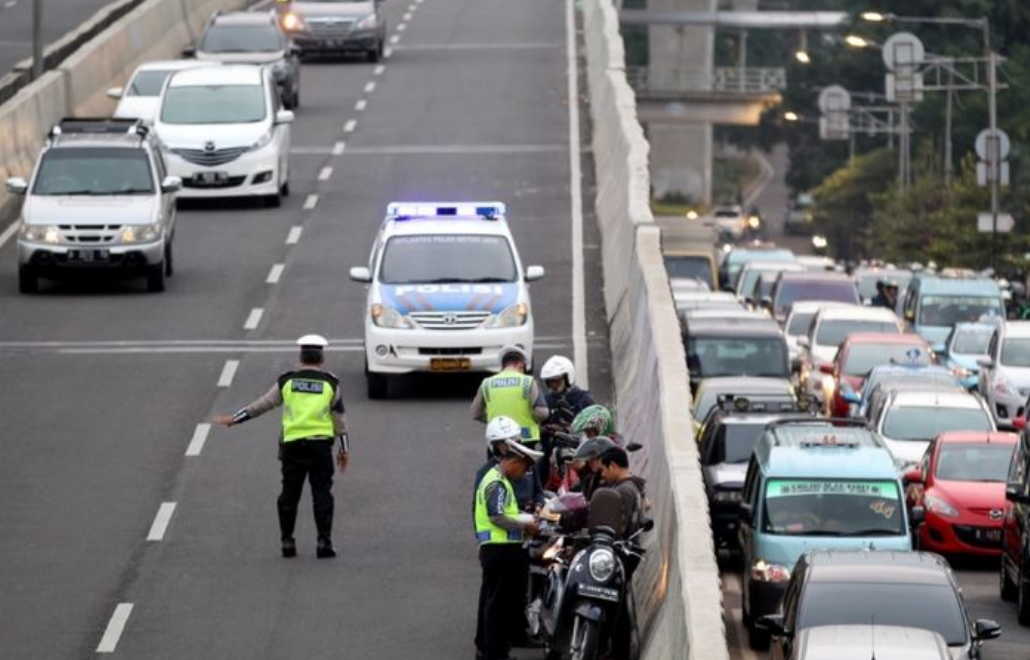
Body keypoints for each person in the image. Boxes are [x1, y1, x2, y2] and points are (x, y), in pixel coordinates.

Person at [214, 334, 348, 559]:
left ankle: (287, 542)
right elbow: (340, 421)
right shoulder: (331, 384)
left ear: (301, 356)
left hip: (292, 447)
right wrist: (344, 450)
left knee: (289, 495)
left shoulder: (287, 382)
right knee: (322, 494)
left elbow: (262, 405)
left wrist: (236, 419)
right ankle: (324, 543)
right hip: (320, 448)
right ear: (321, 358)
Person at [474, 439, 543, 660]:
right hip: (501, 551)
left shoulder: (498, 480)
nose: (524, 474)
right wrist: (526, 525)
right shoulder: (498, 483)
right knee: (498, 605)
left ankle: (489, 649)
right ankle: (495, 653)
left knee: (494, 601)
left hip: (500, 550)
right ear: (514, 462)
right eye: (524, 467)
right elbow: (497, 516)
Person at [470, 345, 549, 446]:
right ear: (520, 364)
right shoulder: (527, 381)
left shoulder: (487, 383)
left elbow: (476, 413)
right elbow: (542, 413)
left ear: (503, 366)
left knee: (496, 462)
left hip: (498, 439)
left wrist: (494, 420)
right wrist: (530, 417)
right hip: (525, 436)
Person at [538, 355, 594, 484]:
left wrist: (570, 429)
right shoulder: (547, 401)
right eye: (550, 382)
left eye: (556, 381)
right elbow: (538, 425)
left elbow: (594, 429)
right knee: (535, 474)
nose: (553, 385)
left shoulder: (584, 399)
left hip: (579, 453)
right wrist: (545, 430)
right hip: (552, 453)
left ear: (568, 378)